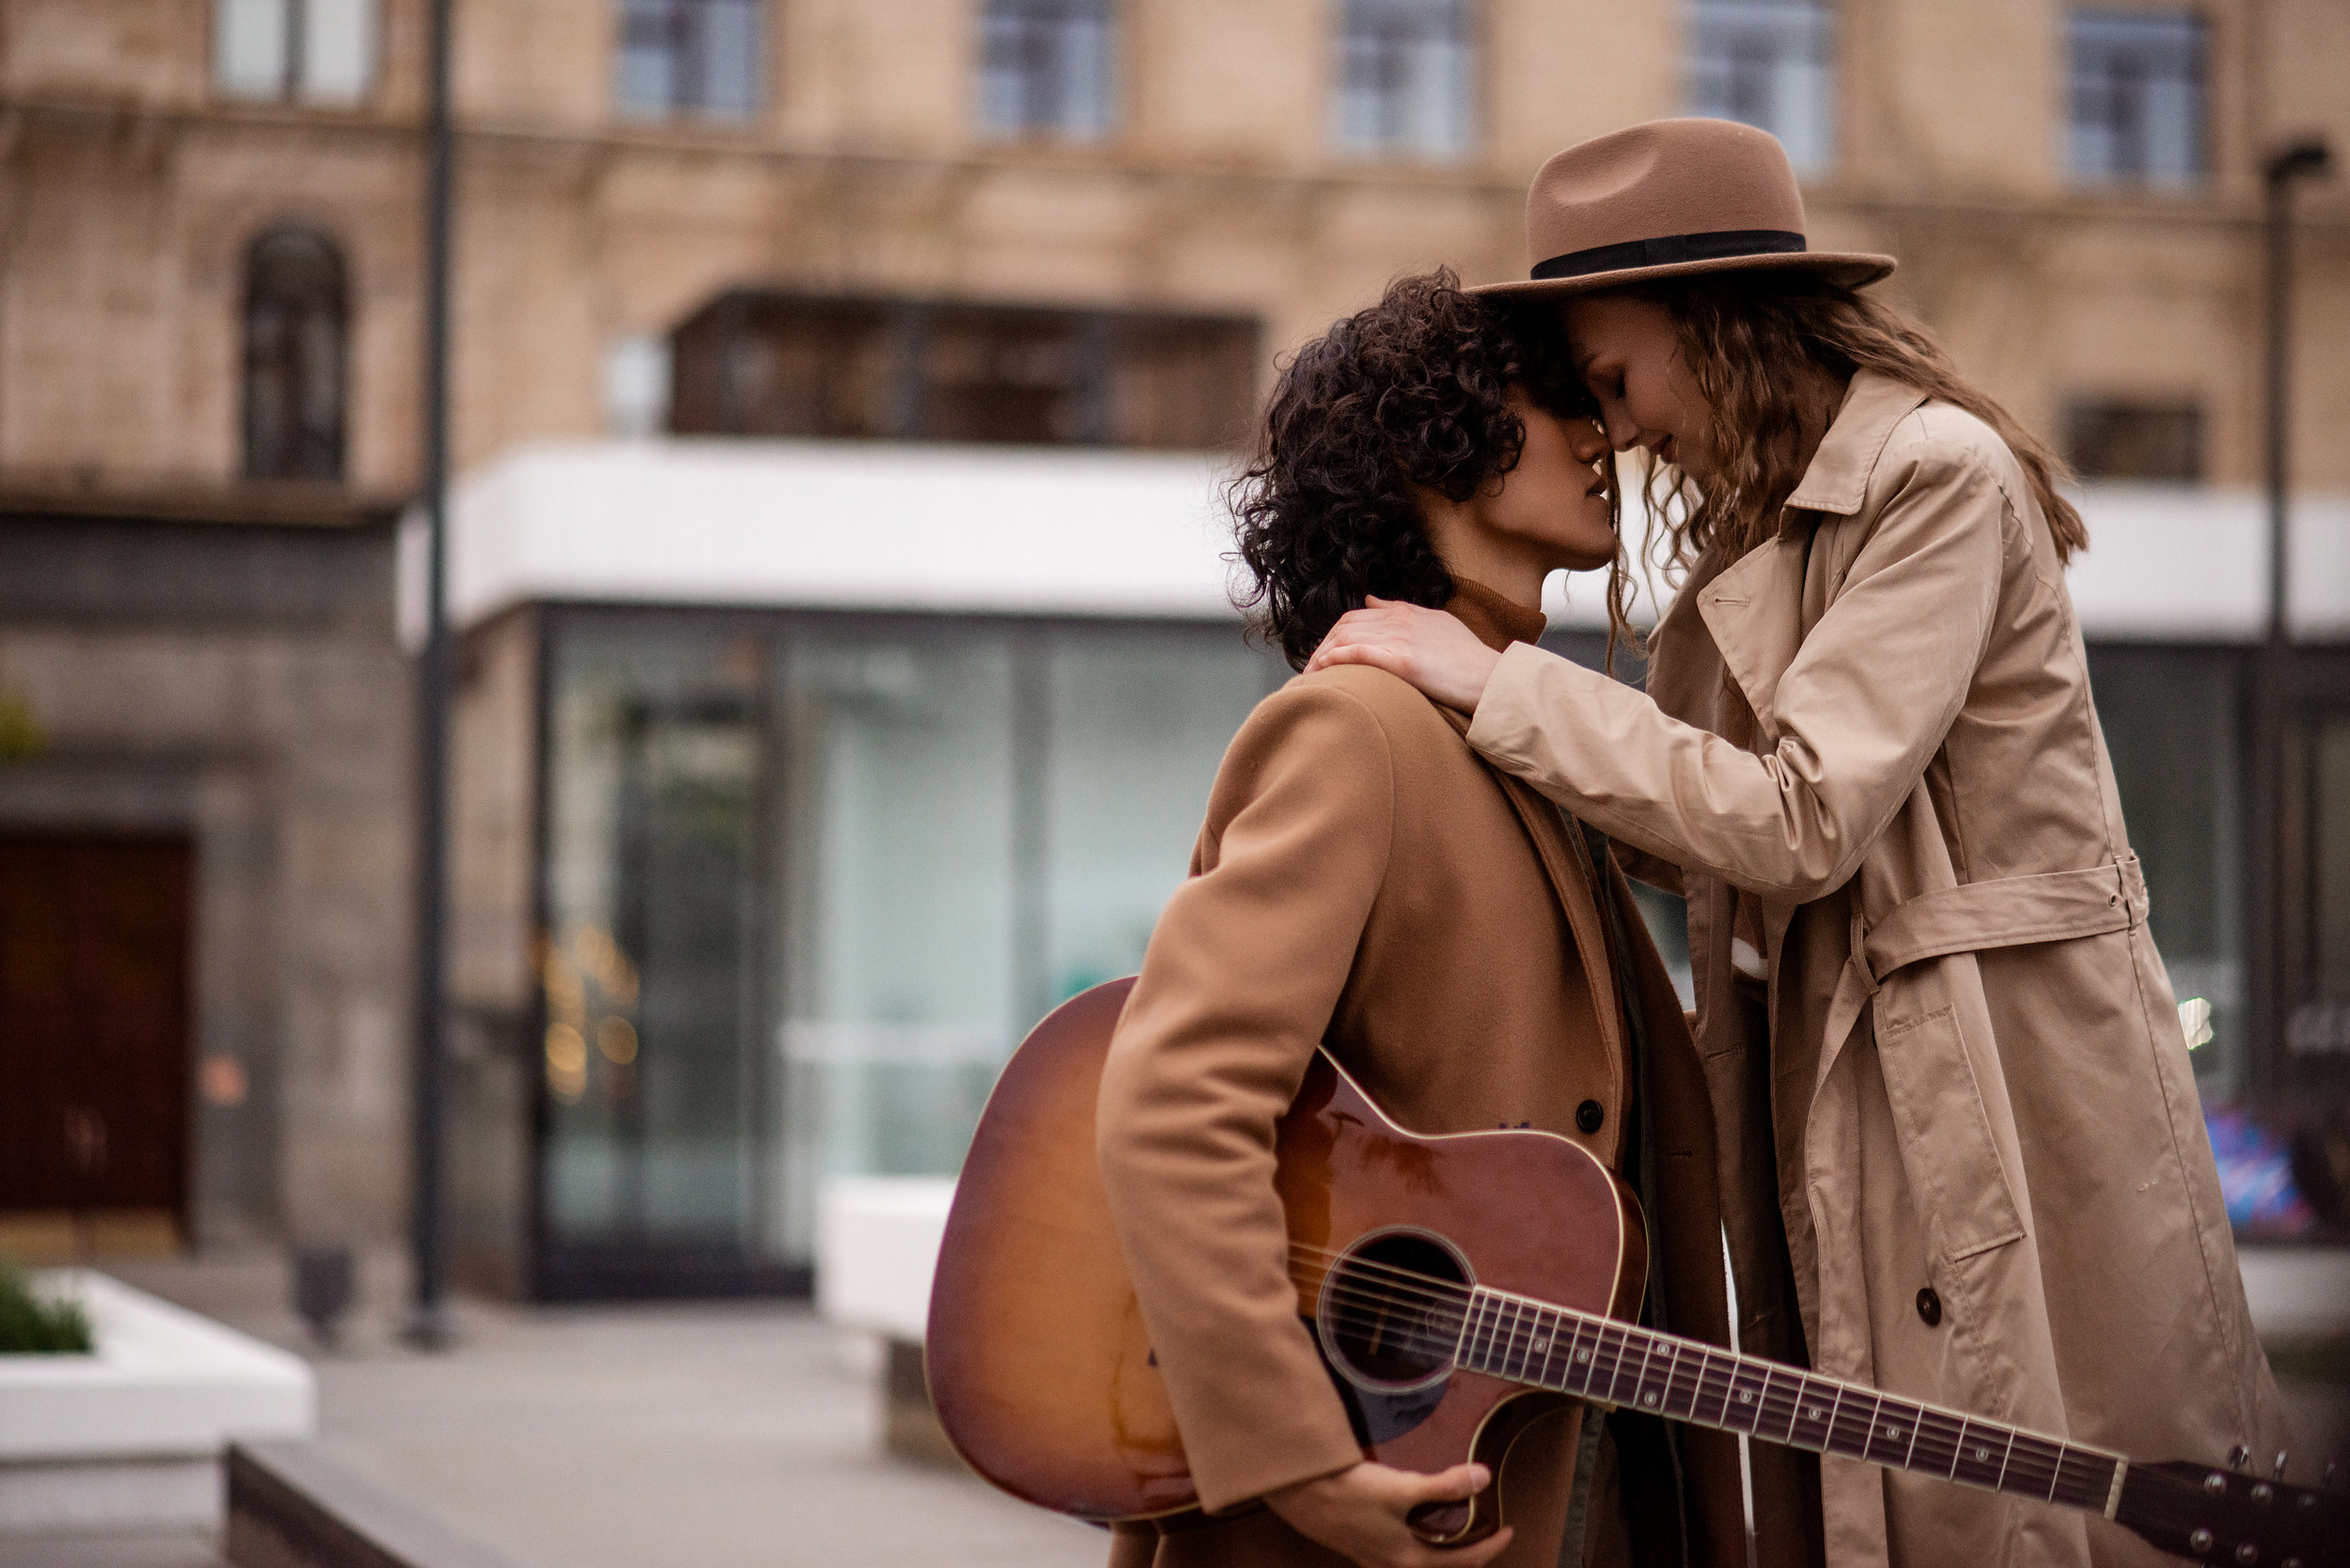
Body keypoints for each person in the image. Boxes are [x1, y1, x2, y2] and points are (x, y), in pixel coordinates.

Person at [1308, 119, 2291, 1568]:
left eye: (1618, 378)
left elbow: (1795, 817)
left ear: (1718, 329)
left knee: (2029, 1502)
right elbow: (1692, 826)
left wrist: (1502, 688)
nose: (1620, 428)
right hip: (1845, 1073)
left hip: (1998, 1083)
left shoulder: (1934, 477)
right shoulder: (1755, 550)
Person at [1095, 273, 1747, 1568]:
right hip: (1372, 1506)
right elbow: (1173, 1105)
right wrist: (1297, 1457)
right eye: (1559, 400)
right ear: (1427, 450)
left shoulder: (1513, 730)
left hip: (1556, 1476)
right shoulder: (1361, 732)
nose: (1600, 435)